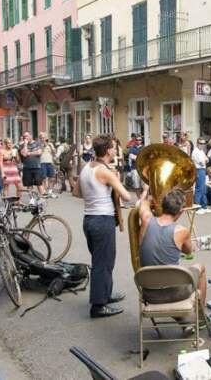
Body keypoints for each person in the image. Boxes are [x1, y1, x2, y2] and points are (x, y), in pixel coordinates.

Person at [76, 134, 131, 318]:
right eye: (114, 147)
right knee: (103, 263)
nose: (116, 150)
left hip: (89, 218)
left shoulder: (86, 167)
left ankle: (105, 295)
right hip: (102, 220)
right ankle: (98, 306)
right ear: (108, 150)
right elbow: (127, 196)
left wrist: (94, 194)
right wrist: (115, 179)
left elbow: (77, 192)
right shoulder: (106, 172)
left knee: (103, 261)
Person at [138, 189, 207, 308]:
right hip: (176, 293)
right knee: (201, 268)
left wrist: (149, 197)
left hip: (149, 293)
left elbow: (143, 202)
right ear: (181, 211)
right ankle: (200, 317)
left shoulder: (146, 218)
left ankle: (182, 317)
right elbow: (188, 251)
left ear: (163, 205)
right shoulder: (182, 231)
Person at [20, 132, 45, 198]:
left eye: (27, 136)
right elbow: (24, 154)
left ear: (31, 136)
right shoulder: (22, 145)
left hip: (37, 166)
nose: (26, 138)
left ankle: (42, 199)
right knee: (29, 184)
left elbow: (39, 152)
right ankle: (32, 199)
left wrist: (28, 153)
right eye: (24, 136)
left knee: (39, 183)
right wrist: (25, 144)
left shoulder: (37, 143)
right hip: (27, 167)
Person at [191, 138, 210, 214]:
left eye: (203, 143)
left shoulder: (201, 151)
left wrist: (205, 161)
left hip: (202, 170)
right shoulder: (195, 151)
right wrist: (205, 161)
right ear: (197, 143)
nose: (202, 145)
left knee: (203, 188)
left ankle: (204, 206)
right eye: (200, 143)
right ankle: (196, 207)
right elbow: (202, 162)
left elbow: (207, 160)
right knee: (199, 188)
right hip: (199, 170)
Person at [39, 132, 57, 198]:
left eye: (44, 137)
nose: (43, 139)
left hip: (50, 162)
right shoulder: (39, 145)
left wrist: (51, 147)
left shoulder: (50, 144)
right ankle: (44, 192)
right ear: (40, 138)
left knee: (52, 177)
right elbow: (39, 153)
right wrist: (44, 146)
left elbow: (54, 152)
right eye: (41, 138)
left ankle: (50, 192)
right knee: (43, 178)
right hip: (42, 162)